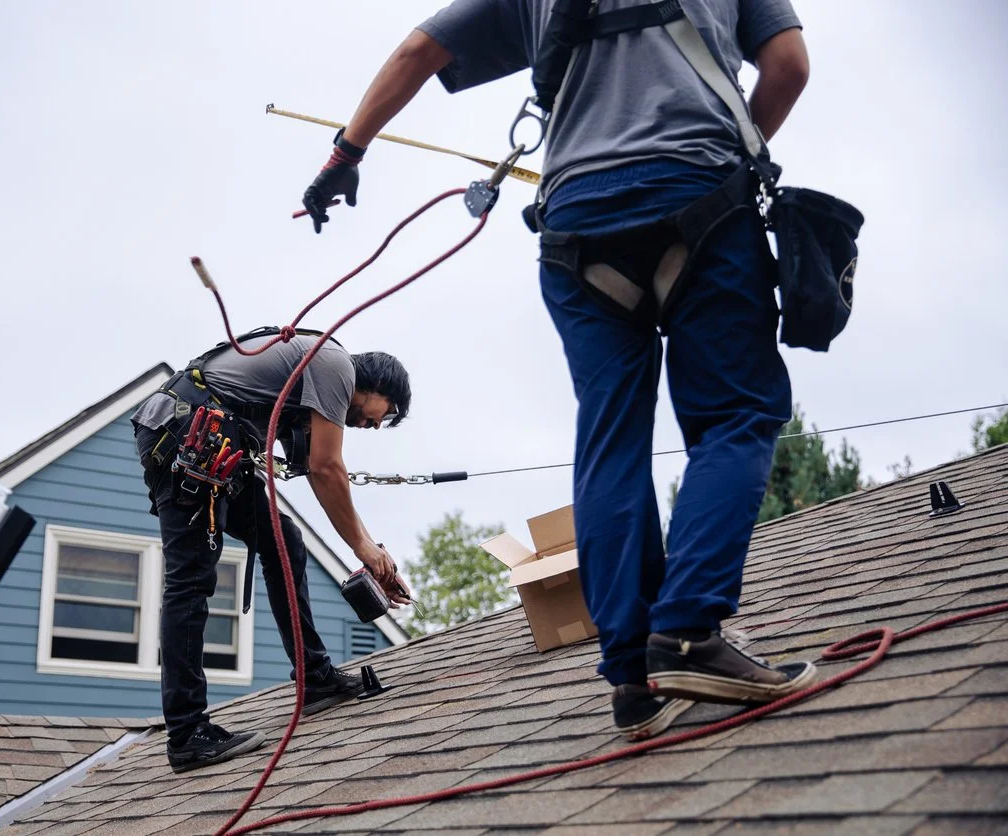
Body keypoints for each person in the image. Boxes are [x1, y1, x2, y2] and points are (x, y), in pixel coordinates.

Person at [302, 0, 817, 741]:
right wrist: (730, 153)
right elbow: (788, 64)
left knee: (610, 436)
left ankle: (633, 677)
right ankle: (686, 634)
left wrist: (343, 156)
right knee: (736, 415)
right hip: (702, 199)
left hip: (579, 227)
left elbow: (419, 50)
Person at [132, 330, 412, 772]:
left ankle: (314, 678)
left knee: (283, 539)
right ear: (378, 384)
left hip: (214, 442)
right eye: (385, 414)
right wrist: (364, 548)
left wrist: (371, 550)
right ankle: (187, 733)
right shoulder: (335, 364)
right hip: (190, 433)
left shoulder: (312, 385)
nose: (376, 425)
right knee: (190, 579)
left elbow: (321, 469)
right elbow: (326, 467)